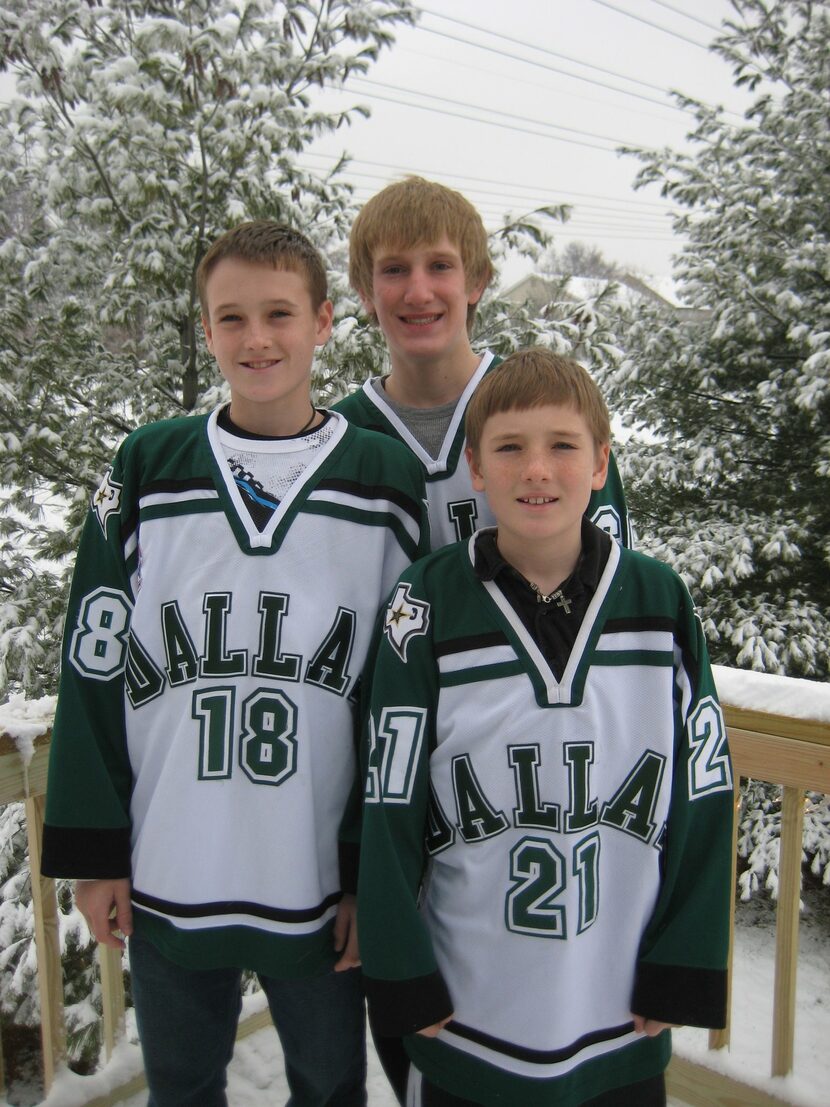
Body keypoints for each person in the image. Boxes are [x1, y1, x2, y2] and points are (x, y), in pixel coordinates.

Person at [40, 221, 429, 1107]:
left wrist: (377, 868)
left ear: (325, 321)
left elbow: (400, 702)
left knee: (332, 1084)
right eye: (232, 317)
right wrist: (95, 852)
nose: (257, 338)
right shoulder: (148, 467)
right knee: (180, 1083)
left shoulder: (381, 481)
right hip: (174, 858)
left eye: (280, 314)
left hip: (318, 872)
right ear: (206, 329)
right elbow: (93, 663)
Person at [357, 348, 734, 1107]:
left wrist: (683, 959)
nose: (536, 469)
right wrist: (402, 968)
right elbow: (388, 797)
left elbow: (705, 788)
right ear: (475, 468)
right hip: (467, 1007)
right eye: (510, 447)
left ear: (600, 464)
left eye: (562, 446)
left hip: (619, 1002)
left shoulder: (659, 599)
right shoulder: (425, 602)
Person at [334, 176, 632, 551]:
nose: (419, 293)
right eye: (394, 269)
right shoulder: (336, 440)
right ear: (365, 292)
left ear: (476, 281)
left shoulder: (554, 410)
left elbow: (613, 587)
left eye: (440, 266)